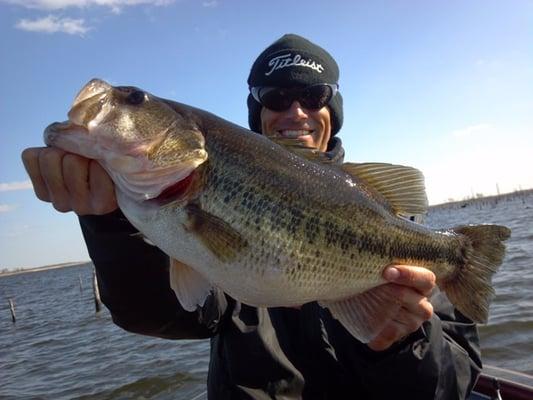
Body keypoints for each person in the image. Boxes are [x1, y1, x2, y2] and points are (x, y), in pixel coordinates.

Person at [22, 34, 482, 399]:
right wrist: (109, 222)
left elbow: (454, 386)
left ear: (332, 109)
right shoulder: (167, 203)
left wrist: (402, 344)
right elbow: (172, 313)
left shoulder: (399, 231)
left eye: (312, 94)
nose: (294, 111)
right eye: (276, 97)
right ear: (257, 111)